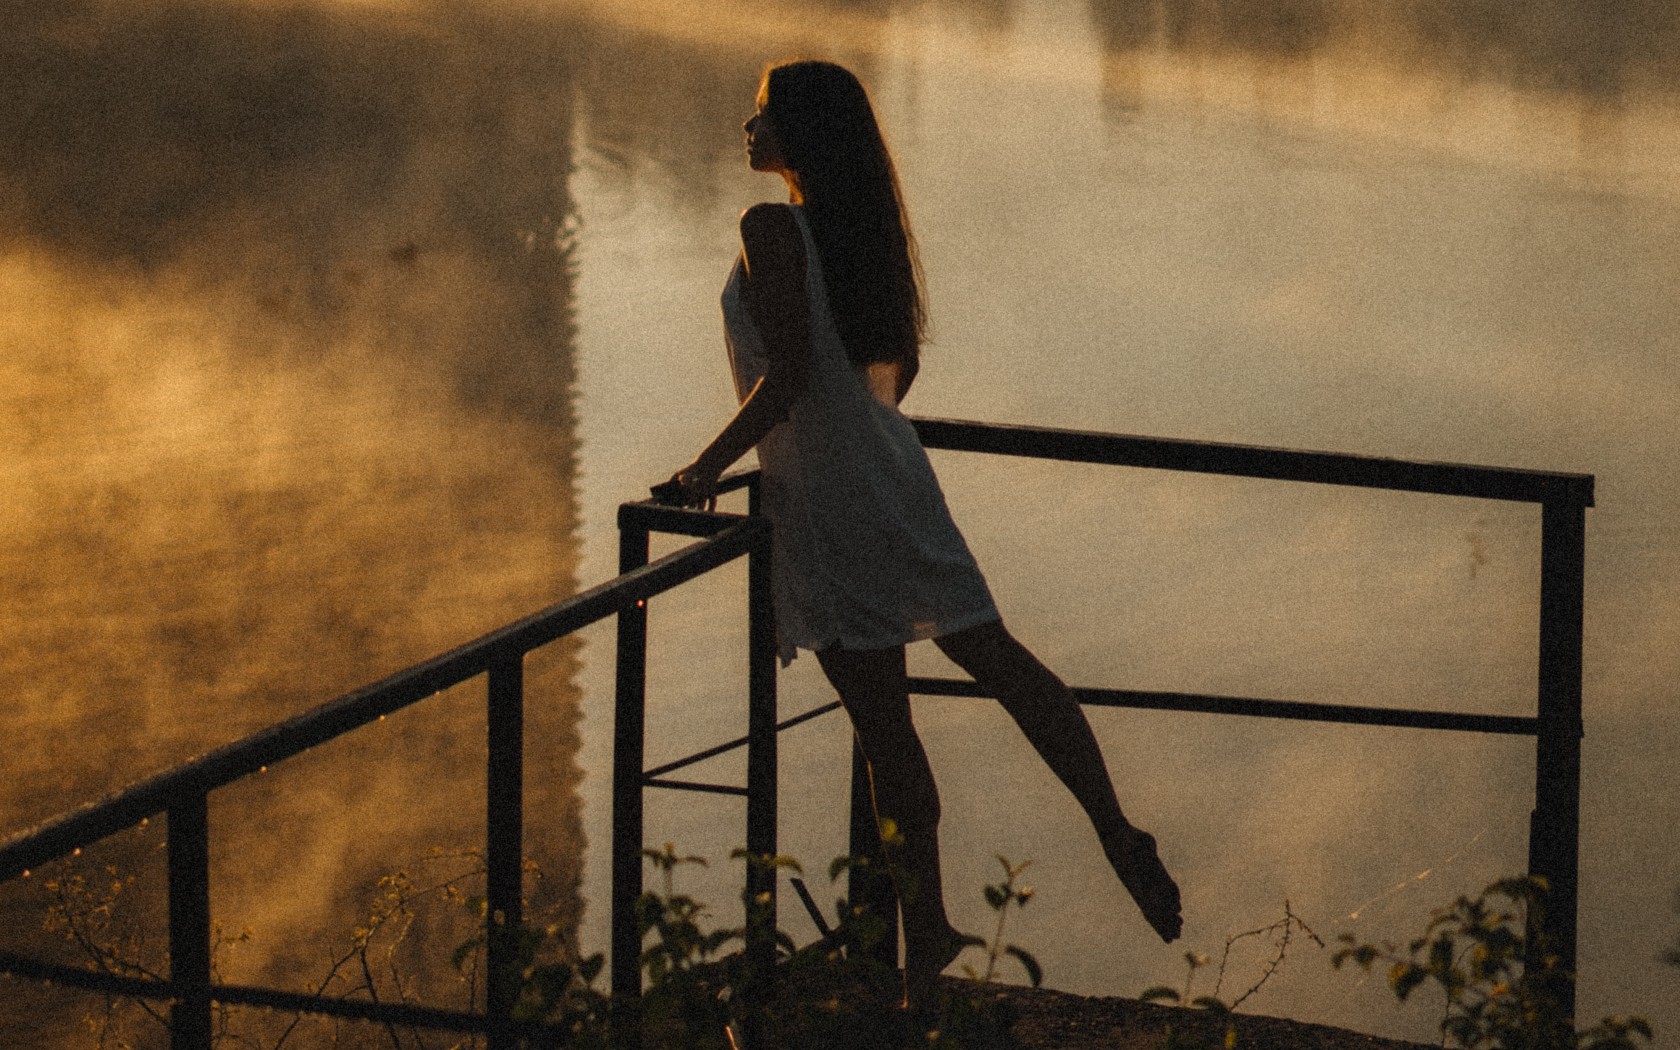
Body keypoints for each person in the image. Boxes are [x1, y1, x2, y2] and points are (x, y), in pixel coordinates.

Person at [660, 59, 1181, 1009]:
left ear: (803, 135)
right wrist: (858, 438)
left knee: (884, 728)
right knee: (999, 658)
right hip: (891, 473)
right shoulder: (861, 234)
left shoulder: (770, 227)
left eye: (766, 112)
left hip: (827, 498)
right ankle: (1112, 826)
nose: (747, 124)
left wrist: (703, 469)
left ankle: (930, 929)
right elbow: (888, 376)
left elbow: (787, 381)